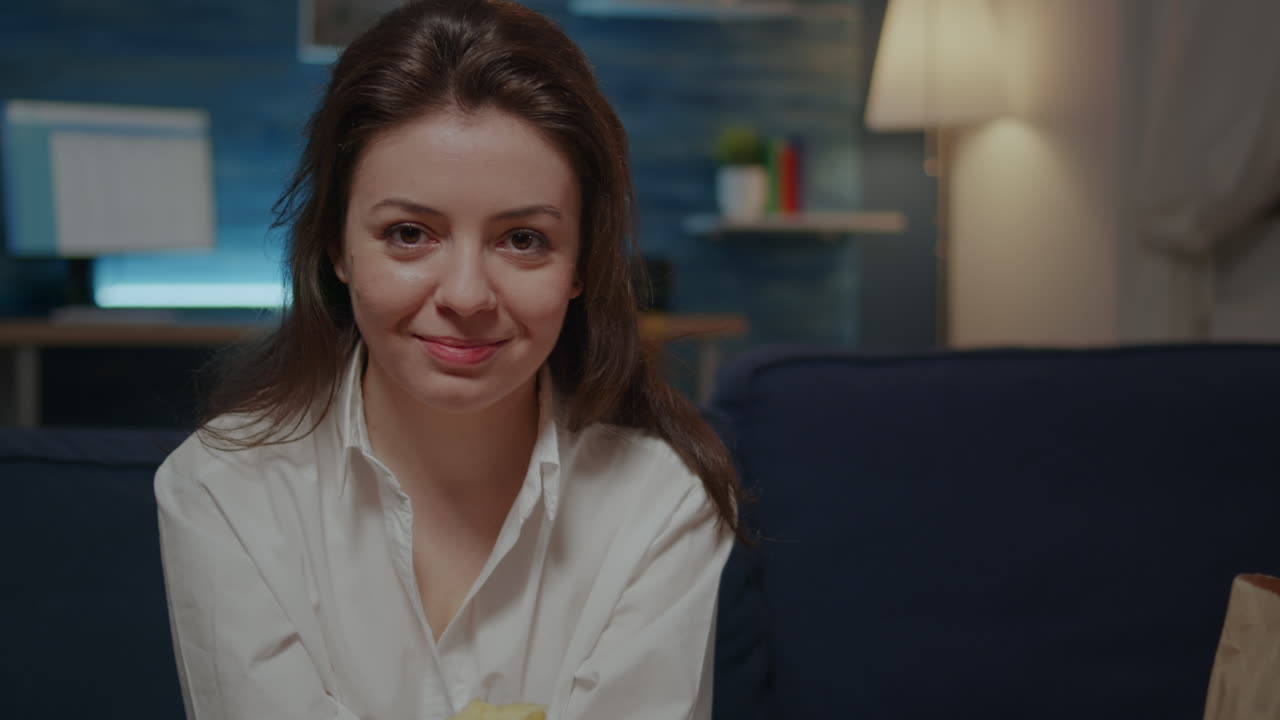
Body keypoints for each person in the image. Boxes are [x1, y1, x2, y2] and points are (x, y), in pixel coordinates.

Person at [153, 0, 747, 718]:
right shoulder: (222, 490)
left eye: (523, 239)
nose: (466, 295)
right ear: (337, 248)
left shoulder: (658, 503)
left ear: (582, 263)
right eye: (409, 233)